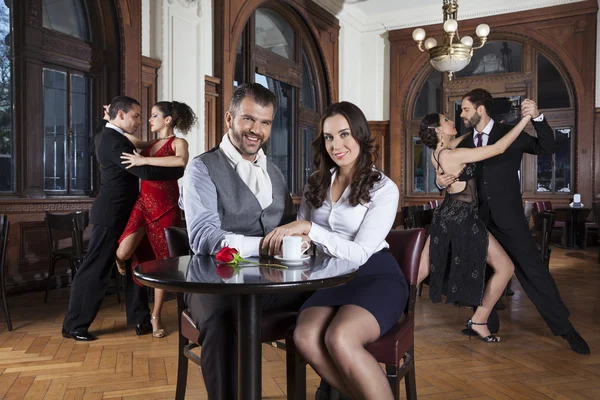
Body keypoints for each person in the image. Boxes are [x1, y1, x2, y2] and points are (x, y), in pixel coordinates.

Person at [262, 101, 408, 400]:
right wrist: (302, 240)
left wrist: (310, 230)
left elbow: (359, 253)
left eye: (344, 135)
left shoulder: (384, 188)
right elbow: (304, 233)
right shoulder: (317, 182)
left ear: (360, 136)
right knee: (304, 336)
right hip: (328, 277)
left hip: (374, 274)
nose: (336, 145)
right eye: (329, 137)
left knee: (340, 337)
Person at [179, 82, 309, 399]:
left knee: (335, 301)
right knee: (223, 320)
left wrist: (300, 238)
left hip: (271, 285)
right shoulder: (201, 168)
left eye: (265, 122)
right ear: (229, 119)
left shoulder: (275, 173)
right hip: (212, 283)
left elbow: (289, 225)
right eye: (248, 119)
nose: (256, 130)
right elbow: (204, 239)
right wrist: (269, 244)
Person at [437, 88, 590, 355]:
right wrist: (440, 181)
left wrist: (538, 118)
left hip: (509, 218)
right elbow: (447, 171)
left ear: (480, 110)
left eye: (465, 109)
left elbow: (548, 147)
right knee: (478, 272)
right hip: (476, 219)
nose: (461, 115)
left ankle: (565, 328)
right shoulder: (462, 143)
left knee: (533, 272)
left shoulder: (508, 134)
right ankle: (484, 323)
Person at [62, 96, 185, 341]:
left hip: (132, 211)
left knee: (136, 264)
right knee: (95, 270)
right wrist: (177, 170)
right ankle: (74, 325)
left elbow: (149, 149)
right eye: (136, 115)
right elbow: (143, 171)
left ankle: (139, 319)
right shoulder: (111, 140)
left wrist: (173, 164)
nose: (140, 120)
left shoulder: (114, 135)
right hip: (111, 214)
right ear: (121, 116)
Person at [418, 111, 533, 342]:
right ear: (438, 130)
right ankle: (479, 321)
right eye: (446, 120)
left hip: (447, 215)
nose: (453, 121)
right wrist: (524, 120)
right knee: (506, 268)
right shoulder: (454, 155)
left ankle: (389, 310)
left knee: (421, 269)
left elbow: (464, 137)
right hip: (463, 218)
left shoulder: (437, 153)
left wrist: (487, 126)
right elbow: (499, 148)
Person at [113, 101, 197, 338]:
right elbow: (127, 137)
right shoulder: (149, 144)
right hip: (143, 204)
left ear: (168, 119)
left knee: (162, 264)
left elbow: (180, 161)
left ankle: (155, 316)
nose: (149, 120)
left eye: (154, 116)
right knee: (123, 251)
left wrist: (143, 160)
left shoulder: (178, 142)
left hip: (166, 207)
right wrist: (111, 116)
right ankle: (122, 262)